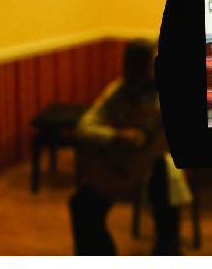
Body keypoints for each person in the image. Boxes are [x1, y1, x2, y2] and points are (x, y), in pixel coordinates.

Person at [68, 38, 192, 260]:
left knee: (165, 175)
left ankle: (167, 253)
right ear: (137, 68)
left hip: (155, 169)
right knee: (81, 205)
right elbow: (83, 128)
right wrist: (117, 136)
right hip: (122, 168)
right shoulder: (119, 91)